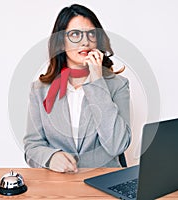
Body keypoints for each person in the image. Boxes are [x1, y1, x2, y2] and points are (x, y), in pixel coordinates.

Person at [24, 4, 131, 173]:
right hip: (59, 186)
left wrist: (96, 81)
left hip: (105, 181)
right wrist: (50, 157)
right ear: (60, 43)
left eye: (91, 34)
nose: (85, 42)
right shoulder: (39, 90)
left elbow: (117, 145)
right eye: (75, 34)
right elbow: (32, 146)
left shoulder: (118, 85)